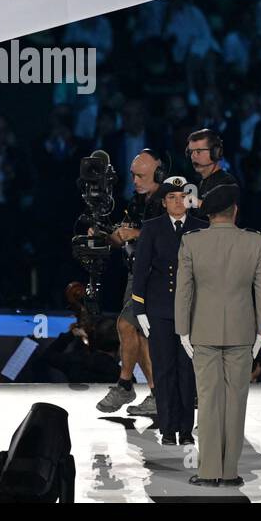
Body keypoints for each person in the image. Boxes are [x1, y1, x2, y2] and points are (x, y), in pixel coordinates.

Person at [176, 181, 261, 487]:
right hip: (243, 332)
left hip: (202, 331)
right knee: (236, 401)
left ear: (209, 214)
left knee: (208, 401)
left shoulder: (192, 242)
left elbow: (184, 292)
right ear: (235, 211)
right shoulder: (255, 242)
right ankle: (229, 472)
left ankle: (208, 471)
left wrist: (182, 331)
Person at [130, 176, 206, 445]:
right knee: (163, 369)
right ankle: (167, 429)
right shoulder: (152, 228)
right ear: (163, 203)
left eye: (181, 197)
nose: (176, 202)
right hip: (159, 308)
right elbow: (141, 270)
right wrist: (139, 308)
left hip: (191, 310)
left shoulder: (201, 228)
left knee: (187, 371)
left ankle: (186, 430)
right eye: (170, 198)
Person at [96, 149, 163, 415]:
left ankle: (125, 384)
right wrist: (106, 235)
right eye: (133, 175)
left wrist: (136, 233)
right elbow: (120, 239)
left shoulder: (171, 199)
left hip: (158, 276)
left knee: (125, 324)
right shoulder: (136, 203)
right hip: (136, 275)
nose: (134, 180)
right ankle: (157, 393)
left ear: (158, 173)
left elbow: (174, 234)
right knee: (140, 334)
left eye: (141, 175)